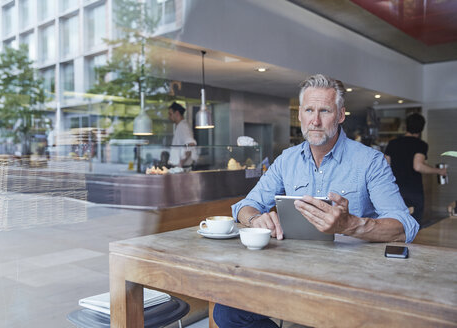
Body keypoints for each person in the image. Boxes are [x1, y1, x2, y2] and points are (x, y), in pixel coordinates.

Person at [213, 74, 419, 328]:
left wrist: (351, 225)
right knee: (227, 311)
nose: (316, 120)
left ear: (341, 115)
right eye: (309, 110)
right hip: (292, 273)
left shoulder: (370, 162)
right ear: (300, 114)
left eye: (325, 110)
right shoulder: (287, 160)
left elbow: (404, 226)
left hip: (351, 280)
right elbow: (243, 206)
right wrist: (256, 218)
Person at [384, 113, 447, 224]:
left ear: (406, 126)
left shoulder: (393, 143)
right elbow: (418, 166)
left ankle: (397, 242)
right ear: (421, 128)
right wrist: (439, 171)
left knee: (395, 222)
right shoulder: (420, 144)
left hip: (394, 190)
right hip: (413, 191)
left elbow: (385, 165)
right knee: (414, 223)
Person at [168, 102, 197, 169]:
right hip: (179, 168)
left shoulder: (183, 126)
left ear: (177, 113)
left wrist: (180, 164)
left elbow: (191, 144)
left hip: (182, 168)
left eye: (170, 114)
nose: (169, 117)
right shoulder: (180, 126)